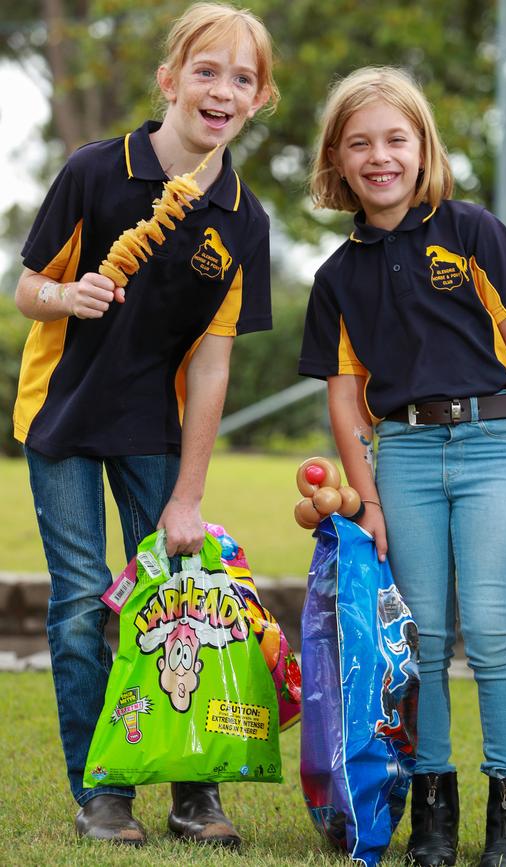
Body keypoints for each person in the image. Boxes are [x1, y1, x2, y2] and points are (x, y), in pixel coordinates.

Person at [13, 1, 278, 847]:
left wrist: (188, 497)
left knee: (180, 600)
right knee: (83, 600)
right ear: (170, 80)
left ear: (258, 100)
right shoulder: (96, 171)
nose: (222, 89)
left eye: (243, 78)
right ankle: (103, 791)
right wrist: (70, 293)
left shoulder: (244, 218)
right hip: (62, 407)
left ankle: (194, 791)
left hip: (152, 427)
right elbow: (28, 290)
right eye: (207, 70)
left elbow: (212, 362)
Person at [299, 66, 506, 867]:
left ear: (422, 148)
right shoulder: (335, 277)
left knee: (489, 633)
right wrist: (368, 498)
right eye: (360, 143)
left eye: (395, 139)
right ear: (337, 161)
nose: (380, 157)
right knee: (420, 639)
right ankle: (434, 816)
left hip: (492, 448)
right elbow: (346, 403)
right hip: (405, 457)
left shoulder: (473, 229)